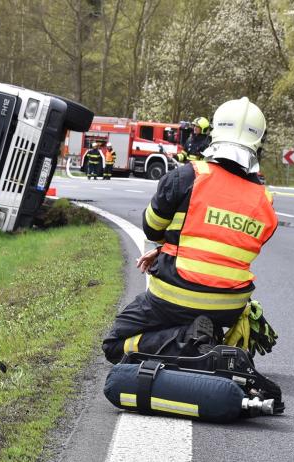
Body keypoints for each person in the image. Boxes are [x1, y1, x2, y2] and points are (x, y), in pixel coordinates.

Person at [102, 97, 278, 363]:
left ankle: (188, 339)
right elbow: (224, 244)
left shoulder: (186, 176)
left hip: (173, 296)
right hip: (229, 307)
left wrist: (164, 247)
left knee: (114, 345)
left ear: (215, 133)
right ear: (258, 143)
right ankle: (205, 339)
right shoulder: (265, 199)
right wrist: (168, 248)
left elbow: (152, 228)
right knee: (200, 311)